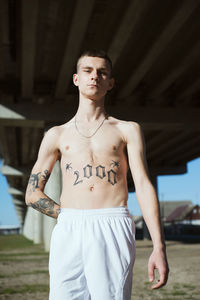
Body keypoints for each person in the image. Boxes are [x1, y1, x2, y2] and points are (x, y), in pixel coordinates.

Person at [25, 49, 169, 300]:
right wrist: (67, 215)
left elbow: (144, 187)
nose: (95, 77)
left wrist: (159, 246)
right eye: (88, 71)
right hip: (69, 226)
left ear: (110, 83)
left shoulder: (127, 130)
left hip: (111, 222)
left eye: (102, 72)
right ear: (76, 79)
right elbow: (32, 193)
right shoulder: (56, 135)